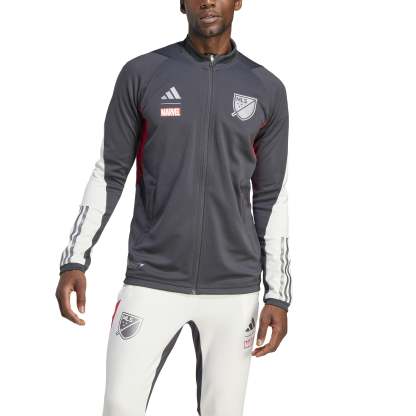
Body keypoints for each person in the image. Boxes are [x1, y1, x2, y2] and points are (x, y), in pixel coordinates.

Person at [56, 0, 292, 415]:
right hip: (152, 277)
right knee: (120, 406)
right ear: (181, 3)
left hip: (233, 289)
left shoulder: (266, 88)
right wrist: (74, 260)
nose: (208, 1)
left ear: (238, 1)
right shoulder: (143, 73)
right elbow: (110, 172)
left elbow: (271, 195)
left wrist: (278, 295)